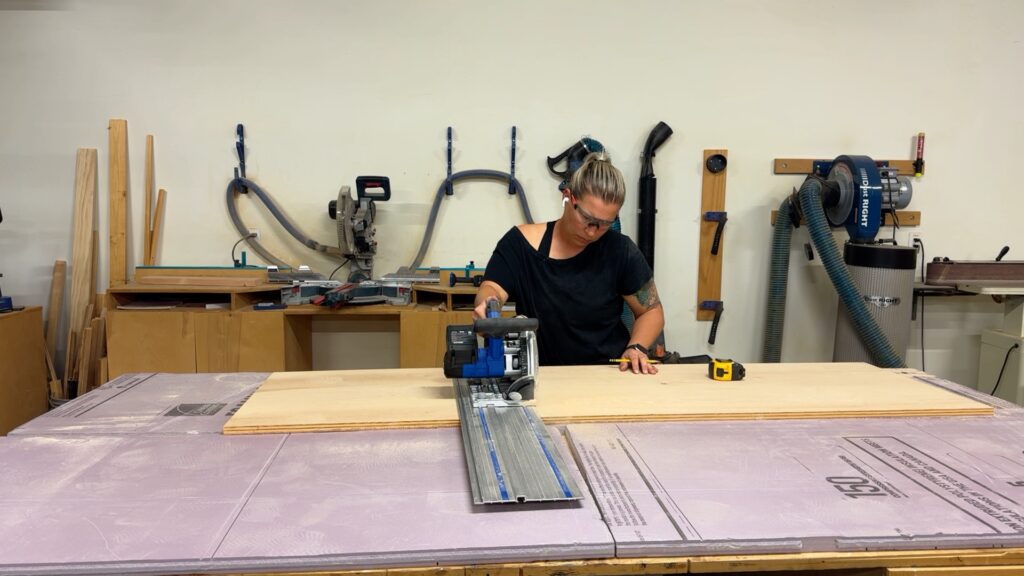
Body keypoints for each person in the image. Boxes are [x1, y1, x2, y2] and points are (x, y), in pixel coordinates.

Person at [473, 151, 664, 374]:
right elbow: (493, 287)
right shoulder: (520, 245)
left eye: (604, 224)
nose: (592, 232)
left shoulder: (621, 251)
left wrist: (636, 347)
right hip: (542, 376)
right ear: (567, 197)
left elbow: (651, 311)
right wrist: (488, 305)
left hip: (607, 376)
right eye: (587, 218)